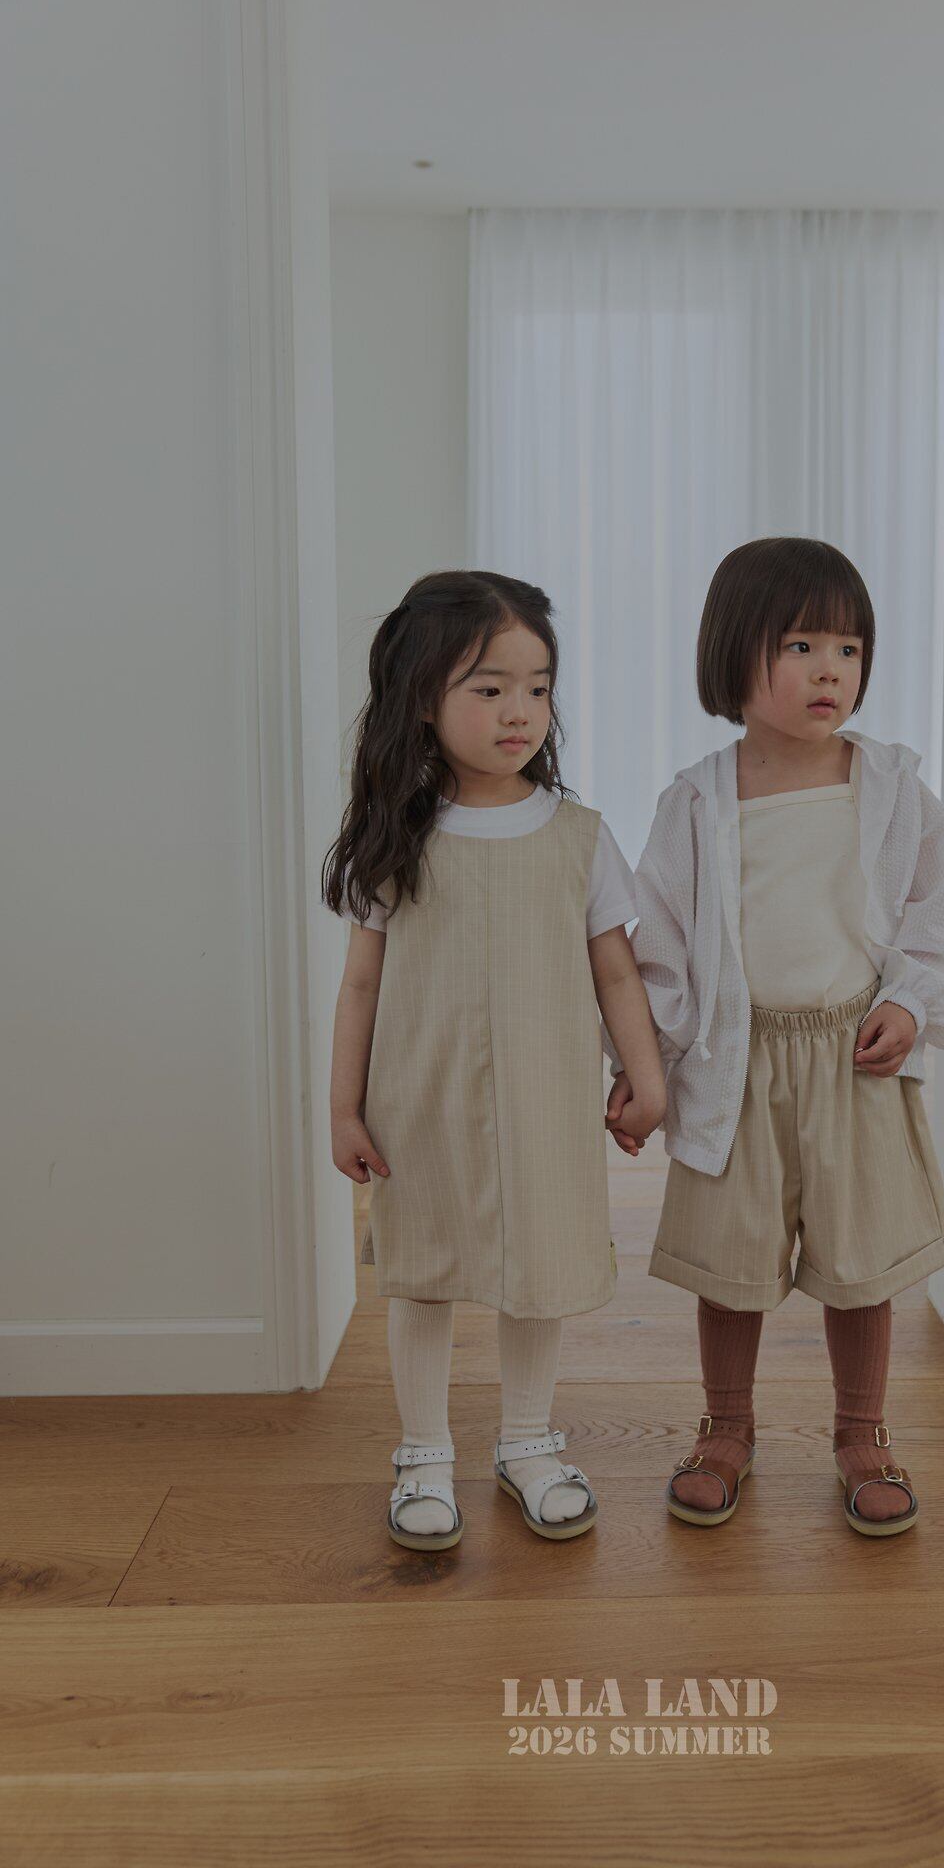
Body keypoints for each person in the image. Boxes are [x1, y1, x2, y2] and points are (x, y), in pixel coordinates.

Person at [604, 536, 944, 1536]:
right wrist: (643, 1069)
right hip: (735, 1061)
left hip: (852, 1060)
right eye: (802, 646)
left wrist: (910, 1004)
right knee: (729, 1263)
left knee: (862, 1263)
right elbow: (660, 951)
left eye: (849, 650)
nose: (830, 671)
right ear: (733, 653)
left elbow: (936, 917)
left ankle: (862, 1432)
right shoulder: (697, 801)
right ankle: (725, 1428)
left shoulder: (892, 788)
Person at [324, 570, 665, 1551]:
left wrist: (644, 1074)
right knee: (423, 1272)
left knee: (540, 1267)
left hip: (546, 1100)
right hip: (420, 1101)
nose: (520, 710)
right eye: (489, 687)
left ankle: (528, 1441)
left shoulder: (578, 836)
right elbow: (361, 986)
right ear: (421, 700)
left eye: (538, 687)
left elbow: (615, 971)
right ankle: (423, 1452)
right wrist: (343, 1107)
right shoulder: (398, 838)